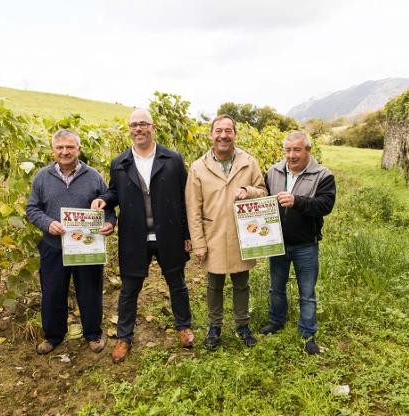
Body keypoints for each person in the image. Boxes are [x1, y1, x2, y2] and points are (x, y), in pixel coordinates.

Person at [91, 109, 194, 364]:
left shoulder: (172, 159)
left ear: (153, 127)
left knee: (177, 283)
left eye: (143, 124)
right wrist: (104, 200)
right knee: (129, 289)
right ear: (130, 129)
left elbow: (185, 199)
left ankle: (184, 327)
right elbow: (114, 192)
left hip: (168, 234)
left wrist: (188, 234)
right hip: (134, 236)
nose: (139, 129)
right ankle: (124, 337)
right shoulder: (120, 163)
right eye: (134, 125)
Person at [26, 129, 116, 355]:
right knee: (53, 292)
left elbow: (108, 207)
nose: (65, 152)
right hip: (53, 246)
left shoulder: (94, 176)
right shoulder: (42, 177)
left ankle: (93, 334)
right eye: (60, 148)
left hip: (86, 246)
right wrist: (48, 223)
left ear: (78, 149)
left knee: (90, 291)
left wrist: (109, 224)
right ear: (53, 150)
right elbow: (32, 209)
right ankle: (53, 336)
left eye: (70, 147)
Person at [185, 114, 267, 350]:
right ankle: (215, 327)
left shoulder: (248, 162)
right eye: (218, 130)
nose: (223, 135)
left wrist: (247, 190)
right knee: (214, 284)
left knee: (242, 282)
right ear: (211, 135)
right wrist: (199, 243)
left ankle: (242, 325)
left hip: (244, 233)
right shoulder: (198, 167)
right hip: (214, 235)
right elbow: (193, 208)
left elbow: (262, 191)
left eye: (228, 131)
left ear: (235, 135)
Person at [259, 131, 336, 355]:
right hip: (277, 243)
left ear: (308, 151)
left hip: (305, 244)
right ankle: (276, 322)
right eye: (288, 150)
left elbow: (325, 205)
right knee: (276, 288)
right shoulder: (272, 172)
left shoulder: (323, 175)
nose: (291, 155)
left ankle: (307, 333)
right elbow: (263, 198)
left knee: (307, 292)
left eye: (297, 150)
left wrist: (297, 202)